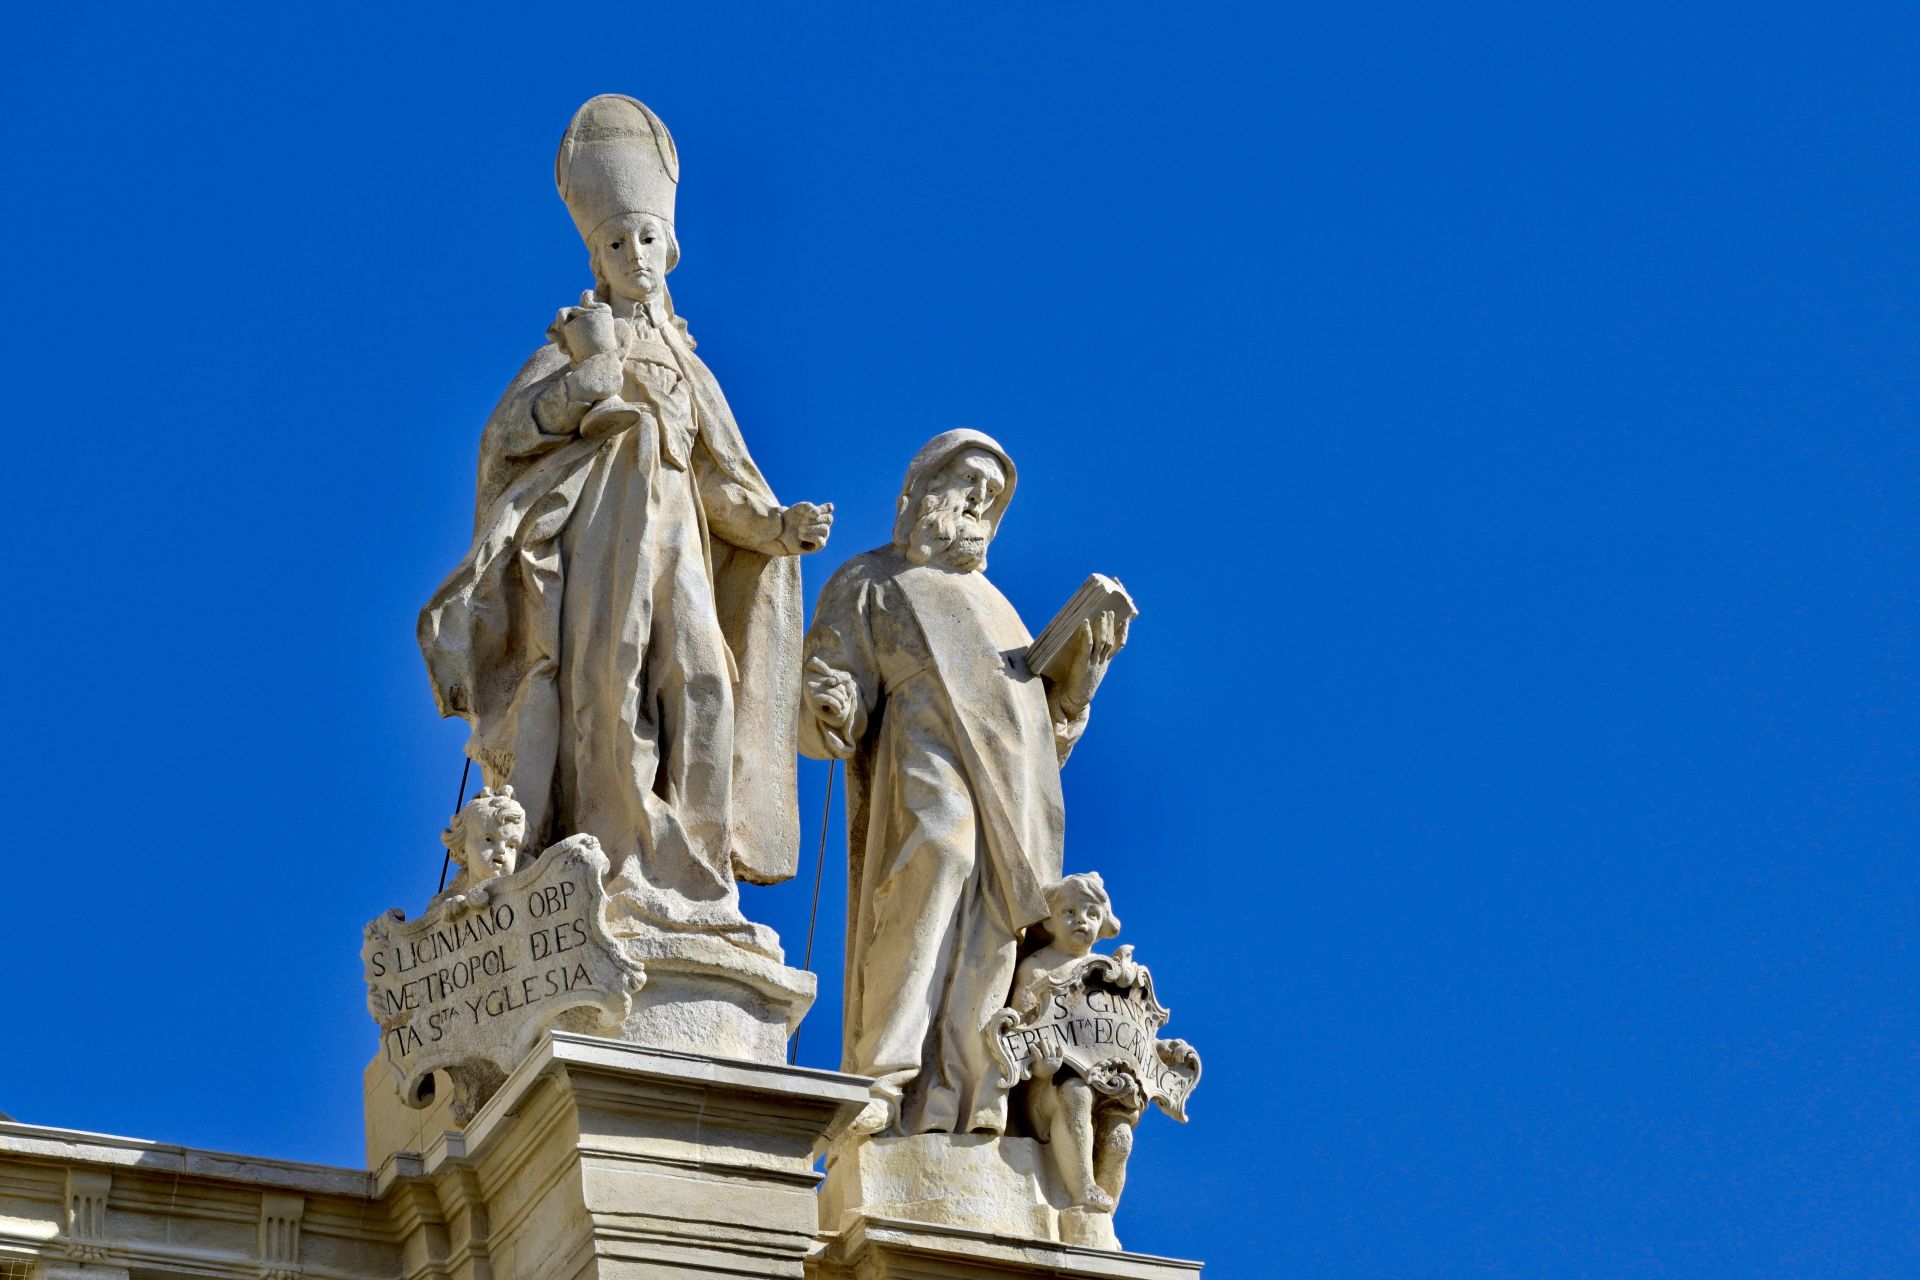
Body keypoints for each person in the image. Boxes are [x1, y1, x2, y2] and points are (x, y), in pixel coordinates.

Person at [421, 96, 832, 955]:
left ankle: (698, 878)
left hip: (680, 544)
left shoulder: (689, 364)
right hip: (602, 562)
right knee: (615, 692)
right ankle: (620, 863)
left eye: (646, 239)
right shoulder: (577, 341)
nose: (633, 255)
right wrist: (590, 375)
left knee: (705, 682)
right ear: (596, 256)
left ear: (669, 248)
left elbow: (717, 482)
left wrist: (775, 525)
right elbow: (507, 439)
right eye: (615, 243)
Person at [800, 429, 1127, 1134]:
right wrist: (831, 704)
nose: (980, 498)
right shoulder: (871, 579)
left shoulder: (999, 607)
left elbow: (1041, 737)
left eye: (993, 493)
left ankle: (964, 1096)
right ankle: (884, 1078)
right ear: (920, 491)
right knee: (937, 859)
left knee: (992, 933)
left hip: (1011, 796)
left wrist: (1076, 690)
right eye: (967, 480)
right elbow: (831, 684)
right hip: (924, 754)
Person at [1010, 873, 1142, 1214]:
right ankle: (1083, 1188)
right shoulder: (1037, 969)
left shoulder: (1108, 973)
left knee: (1120, 1135)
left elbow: (1127, 1032)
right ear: (1050, 921)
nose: (1081, 920)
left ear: (1103, 924)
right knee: (1076, 1093)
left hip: (1107, 1084)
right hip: (1047, 1087)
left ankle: (1102, 1219)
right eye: (1069, 912)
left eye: (1092, 914)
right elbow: (1018, 1032)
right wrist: (1040, 1069)